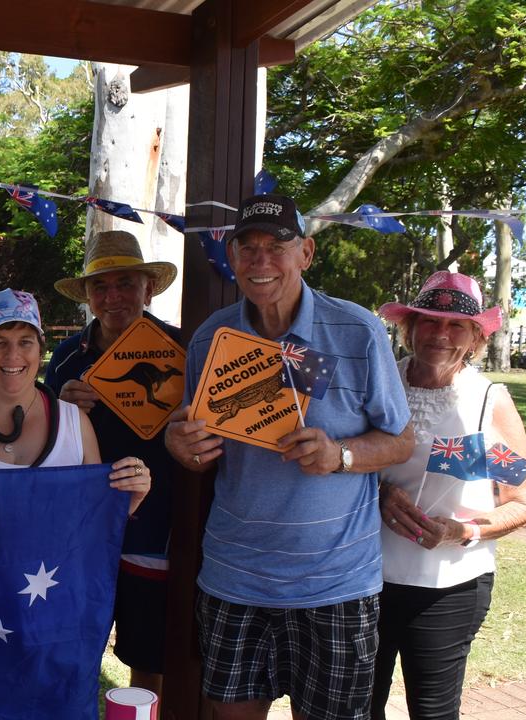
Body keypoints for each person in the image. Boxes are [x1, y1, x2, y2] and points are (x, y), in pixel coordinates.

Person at [163, 194, 414, 720]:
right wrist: (181, 446)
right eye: (246, 248)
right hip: (236, 576)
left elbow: (402, 441)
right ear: (231, 259)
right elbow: (199, 447)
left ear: (307, 253)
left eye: (277, 247)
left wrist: (339, 454)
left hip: (336, 584)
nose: (261, 261)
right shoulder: (212, 340)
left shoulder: (358, 331)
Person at [371, 271, 526, 720]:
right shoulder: (380, 384)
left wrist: (460, 531)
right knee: (358, 706)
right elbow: (349, 462)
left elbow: (523, 502)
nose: (440, 334)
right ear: (410, 327)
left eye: (456, 325)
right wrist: (381, 492)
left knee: (433, 711)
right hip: (366, 577)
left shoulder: (487, 401)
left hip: (450, 587)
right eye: (428, 321)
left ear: (475, 338)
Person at [44, 230, 180, 697]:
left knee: (147, 661)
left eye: (125, 283)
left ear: (149, 288)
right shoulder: (64, 360)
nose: (113, 296)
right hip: (81, 531)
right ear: (86, 295)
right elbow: (40, 446)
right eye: (101, 286)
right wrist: (61, 409)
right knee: (71, 647)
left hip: (155, 530)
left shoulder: (182, 352)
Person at [0, 289, 150, 516]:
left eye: (25, 341)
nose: (13, 355)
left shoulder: (76, 424)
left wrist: (130, 499)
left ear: (40, 348)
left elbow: (90, 520)